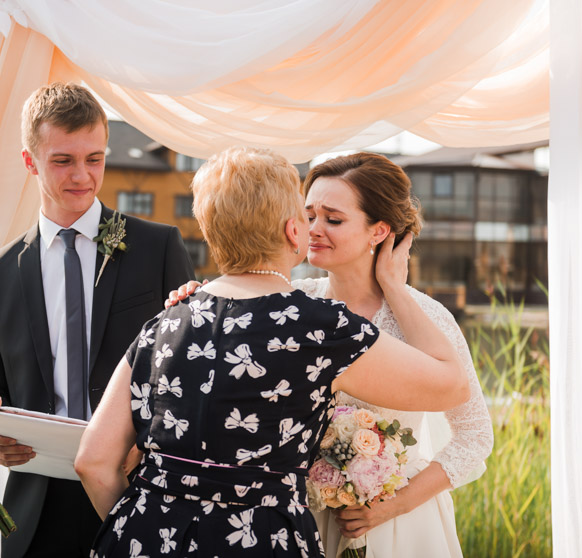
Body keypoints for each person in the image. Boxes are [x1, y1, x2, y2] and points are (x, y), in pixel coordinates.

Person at [75, 146, 470, 557]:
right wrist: (397, 285)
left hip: (143, 536)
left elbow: (93, 461)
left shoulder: (165, 322)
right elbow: (452, 386)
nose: (314, 227)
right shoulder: (319, 327)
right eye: (306, 214)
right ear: (291, 231)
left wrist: (142, 530)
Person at [0, 82, 195, 558]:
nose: (82, 176)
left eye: (94, 158)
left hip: (134, 496)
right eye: (63, 160)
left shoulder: (158, 247)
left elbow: (187, 375)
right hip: (35, 511)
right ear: (30, 160)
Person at [298, 152, 493, 558]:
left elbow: (475, 435)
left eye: (332, 219)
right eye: (309, 215)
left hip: (402, 524)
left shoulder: (428, 318)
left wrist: (393, 506)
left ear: (378, 231)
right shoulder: (293, 306)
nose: (313, 229)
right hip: (305, 518)